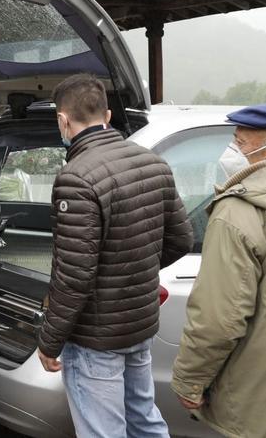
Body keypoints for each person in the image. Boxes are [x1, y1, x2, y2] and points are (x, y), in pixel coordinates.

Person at [35, 74, 193, 438]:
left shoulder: (76, 177)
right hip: (138, 323)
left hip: (96, 336)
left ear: (63, 120)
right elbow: (181, 238)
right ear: (106, 115)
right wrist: (133, 273)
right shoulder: (151, 162)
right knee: (144, 420)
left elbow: (75, 276)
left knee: (103, 431)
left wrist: (50, 339)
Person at [171, 103, 266, 438]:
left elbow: (217, 320)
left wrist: (189, 382)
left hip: (264, 403)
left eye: (241, 143)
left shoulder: (239, 212)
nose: (232, 152)